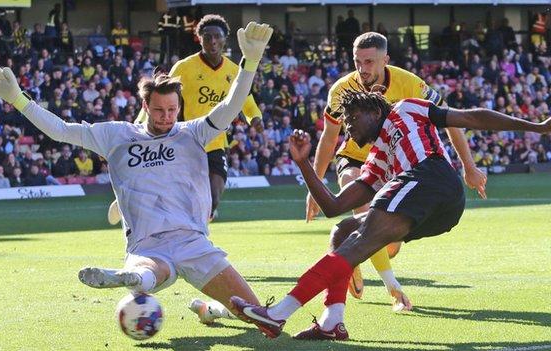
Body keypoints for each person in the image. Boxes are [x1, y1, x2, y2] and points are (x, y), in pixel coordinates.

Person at [0, 21, 273, 327]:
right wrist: (18, 99)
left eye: (173, 110)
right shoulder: (117, 135)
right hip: (147, 245)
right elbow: (61, 131)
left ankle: (209, 309)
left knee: (263, 320)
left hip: (194, 243)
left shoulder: (193, 132)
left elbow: (232, 104)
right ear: (145, 105)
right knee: (149, 270)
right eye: (160, 110)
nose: (167, 117)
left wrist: (249, 63)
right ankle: (133, 276)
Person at [231, 91, 551, 340]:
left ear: (374, 111)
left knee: (358, 239)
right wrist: (303, 164)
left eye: (353, 117)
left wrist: (534, 127)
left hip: (430, 177)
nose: (349, 126)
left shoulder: (405, 109)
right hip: (434, 206)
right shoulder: (376, 159)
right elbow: (333, 205)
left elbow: (469, 118)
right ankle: (332, 321)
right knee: (344, 231)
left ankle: (278, 313)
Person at [305, 32, 488, 313]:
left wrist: (469, 166)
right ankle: (393, 288)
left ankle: (356, 255)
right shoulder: (341, 89)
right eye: (357, 62)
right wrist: (314, 186)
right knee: (359, 203)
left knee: (389, 243)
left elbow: (451, 120)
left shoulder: (410, 84)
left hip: (396, 168)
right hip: (356, 160)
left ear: (385, 60)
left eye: (369, 62)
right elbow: (329, 139)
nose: (362, 69)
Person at [133, 14, 263, 220]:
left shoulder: (233, 70)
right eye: (207, 36)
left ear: (225, 39)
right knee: (175, 193)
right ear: (199, 38)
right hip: (185, 138)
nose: (212, 41)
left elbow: (246, 100)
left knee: (214, 195)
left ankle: (201, 221)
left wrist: (254, 117)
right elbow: (159, 95)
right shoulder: (184, 68)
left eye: (217, 37)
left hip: (215, 140)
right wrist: (140, 122)